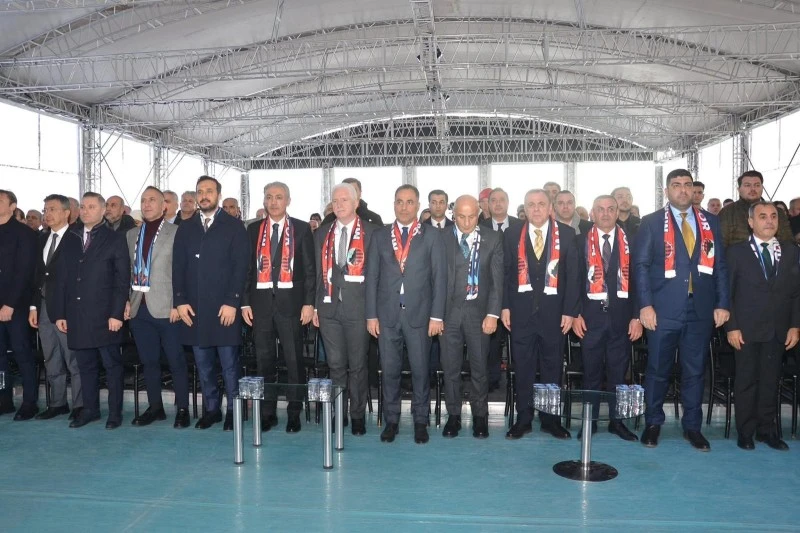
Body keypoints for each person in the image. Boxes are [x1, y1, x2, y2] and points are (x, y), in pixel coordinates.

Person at [633, 169, 729, 450]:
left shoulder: (711, 222)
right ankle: (653, 423)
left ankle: (693, 427)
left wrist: (722, 303)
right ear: (667, 191)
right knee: (657, 369)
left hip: (700, 309)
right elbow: (640, 266)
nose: (683, 190)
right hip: (663, 310)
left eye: (688, 185)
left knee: (695, 371)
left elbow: (721, 266)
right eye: (676, 185)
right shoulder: (651, 222)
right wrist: (645, 305)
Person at [365, 184, 446, 444]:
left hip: (420, 315)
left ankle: (420, 421)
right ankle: (391, 420)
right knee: (389, 371)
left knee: (421, 371)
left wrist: (437, 316)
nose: (404, 207)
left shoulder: (431, 236)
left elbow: (439, 278)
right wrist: (371, 315)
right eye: (399, 201)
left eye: (410, 202)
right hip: (387, 315)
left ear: (418, 205)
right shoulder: (380, 235)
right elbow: (371, 277)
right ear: (394, 204)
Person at [173, 176, 249, 431]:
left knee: (229, 366)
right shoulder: (186, 227)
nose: (204, 195)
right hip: (194, 310)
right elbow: (177, 267)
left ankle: (234, 412)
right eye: (200, 191)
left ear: (218, 194)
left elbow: (241, 267)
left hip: (224, 308)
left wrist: (232, 302)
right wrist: (179, 301)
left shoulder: (234, 226)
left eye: (209, 191)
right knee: (203, 365)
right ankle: (212, 409)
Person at [502, 189, 579, 440]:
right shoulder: (511, 233)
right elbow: (505, 273)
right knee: (523, 368)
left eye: (541, 204)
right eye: (531, 204)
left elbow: (573, 276)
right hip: (520, 313)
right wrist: (504, 306)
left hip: (554, 315)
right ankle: (523, 419)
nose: (536, 209)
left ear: (550, 208)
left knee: (552, 368)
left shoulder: (566, 234)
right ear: (524, 209)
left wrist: (569, 311)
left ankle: (550, 419)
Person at [725, 201, 800, 451]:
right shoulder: (736, 252)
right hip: (745, 329)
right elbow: (727, 293)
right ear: (750, 222)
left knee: (770, 381)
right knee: (746, 381)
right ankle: (745, 432)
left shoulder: (791, 251)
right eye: (763, 216)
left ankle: (767, 431)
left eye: (773, 216)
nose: (769, 221)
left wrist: (795, 325)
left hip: (778, 329)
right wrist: (731, 326)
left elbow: (796, 293)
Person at [52, 192, 130, 429]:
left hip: (105, 315)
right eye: (83, 207)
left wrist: (116, 313)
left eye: (91, 207)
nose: (85, 211)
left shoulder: (114, 239)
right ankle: (90, 410)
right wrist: (61, 313)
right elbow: (62, 278)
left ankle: (114, 413)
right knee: (85, 366)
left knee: (112, 366)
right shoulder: (71, 237)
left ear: (103, 210)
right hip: (76, 313)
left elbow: (121, 280)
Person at [242, 182, 315, 433]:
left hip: (291, 306)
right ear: (264, 200)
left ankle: (294, 413)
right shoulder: (253, 230)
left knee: (294, 362)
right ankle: (267, 413)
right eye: (269, 197)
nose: (273, 202)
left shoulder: (302, 229)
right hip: (260, 305)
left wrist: (309, 303)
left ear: (288, 201)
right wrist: (244, 303)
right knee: (264, 362)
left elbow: (310, 271)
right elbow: (247, 270)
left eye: (279, 197)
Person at [573, 195, 642, 441]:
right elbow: (573, 280)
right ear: (592, 213)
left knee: (618, 375)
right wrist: (575, 313)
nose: (605, 213)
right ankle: (589, 422)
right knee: (590, 374)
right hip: (589, 319)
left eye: (610, 209)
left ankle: (617, 422)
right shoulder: (579, 241)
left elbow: (639, 282)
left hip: (622, 319)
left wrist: (637, 316)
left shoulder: (632, 241)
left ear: (617, 212)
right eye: (600, 209)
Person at [312, 183, 377, 436]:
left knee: (358, 366)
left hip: (358, 310)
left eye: (344, 200)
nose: (339, 205)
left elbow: (377, 276)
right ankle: (339, 412)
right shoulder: (322, 233)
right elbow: (317, 274)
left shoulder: (372, 232)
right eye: (335, 201)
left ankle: (357, 415)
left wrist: (373, 312)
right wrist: (315, 307)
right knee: (336, 365)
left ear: (356, 203)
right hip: (328, 310)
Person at [124, 187, 190, 428]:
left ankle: (182, 408)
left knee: (176, 361)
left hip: (168, 308)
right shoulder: (131, 234)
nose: (147, 204)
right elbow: (128, 271)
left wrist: (178, 304)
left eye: (152, 200)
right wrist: (126, 300)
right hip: (139, 308)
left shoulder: (177, 232)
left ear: (164, 206)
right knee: (148, 362)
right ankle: (155, 407)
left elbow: (183, 271)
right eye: (143, 200)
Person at [439, 195, 503, 439]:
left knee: (479, 368)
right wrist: (435, 315)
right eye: (461, 217)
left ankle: (480, 416)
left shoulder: (493, 239)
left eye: (472, 216)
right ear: (453, 215)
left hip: (479, 313)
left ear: (479, 214)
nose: (466, 222)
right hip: (448, 314)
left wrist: (493, 314)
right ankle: (453, 415)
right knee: (450, 368)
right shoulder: (441, 238)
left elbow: (497, 281)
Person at [29, 194, 83, 421]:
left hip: (67, 309)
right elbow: (36, 275)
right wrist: (33, 306)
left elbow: (78, 278)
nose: (47, 214)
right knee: (50, 357)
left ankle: (80, 405)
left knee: (73, 358)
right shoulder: (41, 238)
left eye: (52, 209)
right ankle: (58, 403)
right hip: (43, 306)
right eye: (45, 210)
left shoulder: (76, 239)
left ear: (66, 212)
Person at [0, 189, 39, 419]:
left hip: (16, 305)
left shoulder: (24, 234)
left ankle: (30, 401)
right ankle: (4, 399)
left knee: (22, 353)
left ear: (13, 206)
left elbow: (24, 272)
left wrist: (10, 304)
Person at [479, 187, 522, 391]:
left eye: (501, 200)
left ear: (508, 202)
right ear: (487, 204)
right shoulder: (480, 227)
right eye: (493, 200)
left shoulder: (520, 226)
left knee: (518, 337)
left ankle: (518, 379)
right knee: (492, 339)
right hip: (489, 290)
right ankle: (492, 378)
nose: (497, 203)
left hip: (516, 289)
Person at [719, 171, 793, 247]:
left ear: (762, 188)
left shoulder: (777, 212)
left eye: (757, 185)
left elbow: (788, 241)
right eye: (747, 185)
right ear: (739, 189)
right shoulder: (727, 212)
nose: (753, 189)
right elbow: (720, 244)